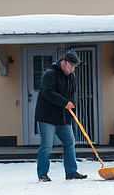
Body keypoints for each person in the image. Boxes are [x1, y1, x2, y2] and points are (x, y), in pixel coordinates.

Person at [34, 50, 88, 182]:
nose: (73, 69)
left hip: (63, 117)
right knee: (47, 145)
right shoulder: (50, 74)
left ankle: (71, 172)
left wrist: (71, 108)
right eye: (72, 65)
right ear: (64, 62)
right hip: (46, 116)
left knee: (69, 142)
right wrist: (65, 103)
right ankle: (42, 174)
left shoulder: (71, 76)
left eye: (75, 66)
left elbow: (71, 95)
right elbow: (48, 92)